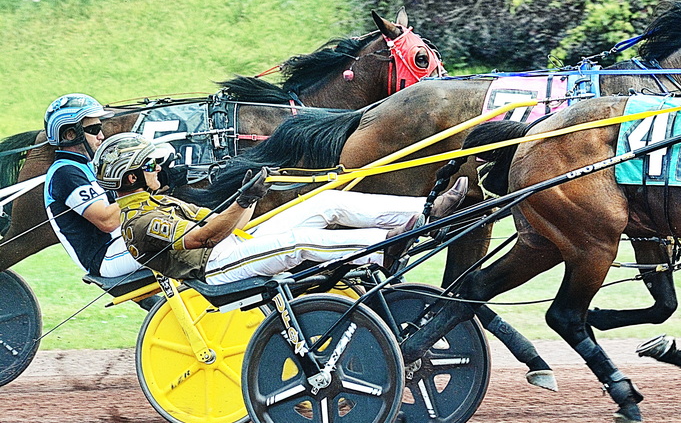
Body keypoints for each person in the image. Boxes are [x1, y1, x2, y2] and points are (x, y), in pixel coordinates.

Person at [92, 132, 467, 285]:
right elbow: (204, 237)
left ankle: (425, 211)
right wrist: (241, 199)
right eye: (150, 166)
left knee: (326, 202)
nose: (158, 169)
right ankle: (386, 243)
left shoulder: (159, 201)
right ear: (130, 179)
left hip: (231, 247)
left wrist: (250, 195)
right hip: (215, 269)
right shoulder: (139, 221)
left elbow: (229, 224)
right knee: (297, 241)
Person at [42, 94, 143, 279]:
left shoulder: (86, 167)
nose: (101, 136)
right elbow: (107, 222)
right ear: (70, 134)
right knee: (185, 239)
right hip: (106, 256)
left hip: (124, 243)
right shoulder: (65, 174)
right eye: (94, 129)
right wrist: (144, 186)